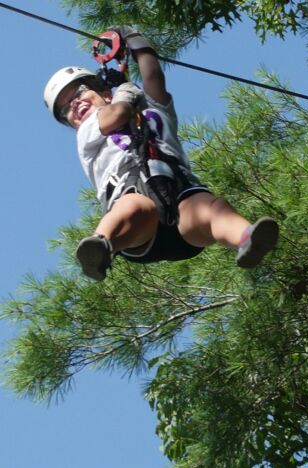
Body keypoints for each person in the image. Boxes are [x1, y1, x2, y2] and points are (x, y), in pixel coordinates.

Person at [44, 26, 279, 281]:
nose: (75, 104)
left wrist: (134, 40)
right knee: (135, 206)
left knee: (211, 207)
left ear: (103, 92)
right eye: (67, 108)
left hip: (179, 206)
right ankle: (101, 246)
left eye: (78, 93)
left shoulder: (153, 112)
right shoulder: (88, 132)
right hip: (138, 224)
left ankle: (246, 238)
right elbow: (118, 114)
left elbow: (153, 76)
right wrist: (124, 93)